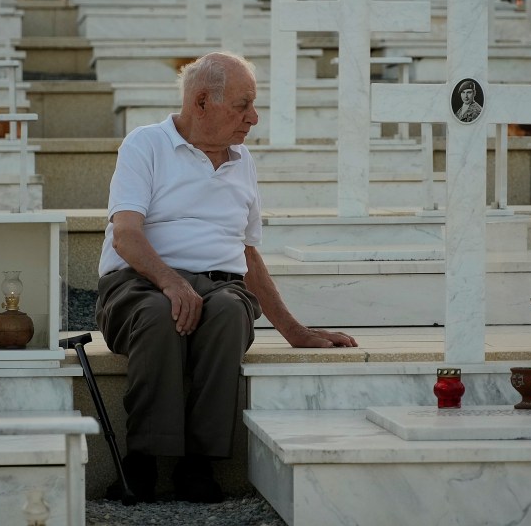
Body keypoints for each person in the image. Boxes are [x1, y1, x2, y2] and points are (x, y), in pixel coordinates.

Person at [95, 51, 357, 504]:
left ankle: (198, 465)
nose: (253, 118)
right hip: (138, 285)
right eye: (242, 105)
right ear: (201, 102)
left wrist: (294, 331)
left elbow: (248, 254)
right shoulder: (145, 144)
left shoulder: (243, 162)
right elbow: (126, 237)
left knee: (231, 312)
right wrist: (171, 282)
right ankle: (141, 461)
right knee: (159, 314)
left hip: (221, 285)